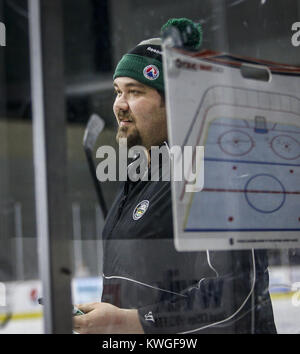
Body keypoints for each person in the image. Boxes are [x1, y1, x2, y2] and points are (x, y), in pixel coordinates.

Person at [73, 18, 277, 334]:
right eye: (117, 91)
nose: (119, 105)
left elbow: (236, 296)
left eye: (135, 91)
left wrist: (130, 322)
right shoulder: (141, 177)